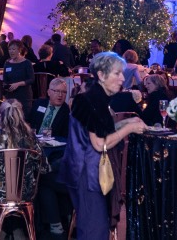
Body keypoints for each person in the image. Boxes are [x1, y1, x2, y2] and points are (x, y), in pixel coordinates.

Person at [59, 52, 146, 240]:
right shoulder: (92, 100)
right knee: (94, 232)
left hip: (86, 172)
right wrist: (129, 128)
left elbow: (98, 129)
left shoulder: (94, 98)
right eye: (117, 73)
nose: (122, 78)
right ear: (101, 75)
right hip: (87, 174)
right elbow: (99, 144)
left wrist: (124, 123)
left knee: (94, 229)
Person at [2, 40, 34, 108]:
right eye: (9, 49)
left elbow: (31, 79)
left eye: (13, 49)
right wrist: (6, 87)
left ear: (19, 50)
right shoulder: (7, 63)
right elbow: (5, 80)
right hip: (10, 96)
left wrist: (18, 84)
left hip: (24, 96)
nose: (11, 51)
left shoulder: (27, 63)